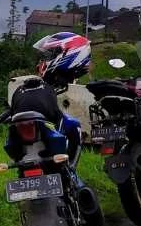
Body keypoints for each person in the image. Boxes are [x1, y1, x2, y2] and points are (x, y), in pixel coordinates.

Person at [9, 31, 92, 166]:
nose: (43, 62)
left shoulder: (53, 85)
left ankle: (69, 170)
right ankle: (70, 169)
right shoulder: (48, 86)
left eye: (50, 55)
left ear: (70, 53)